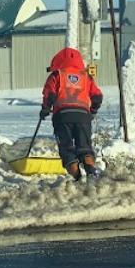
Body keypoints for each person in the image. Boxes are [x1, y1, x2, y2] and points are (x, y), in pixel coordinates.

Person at [41, 47, 104, 181]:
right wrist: (92, 111)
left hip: (62, 116)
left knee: (67, 148)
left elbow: (49, 94)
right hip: (83, 115)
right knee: (85, 147)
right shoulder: (86, 76)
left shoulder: (57, 75)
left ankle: (77, 178)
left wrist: (45, 109)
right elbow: (97, 96)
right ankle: (91, 171)